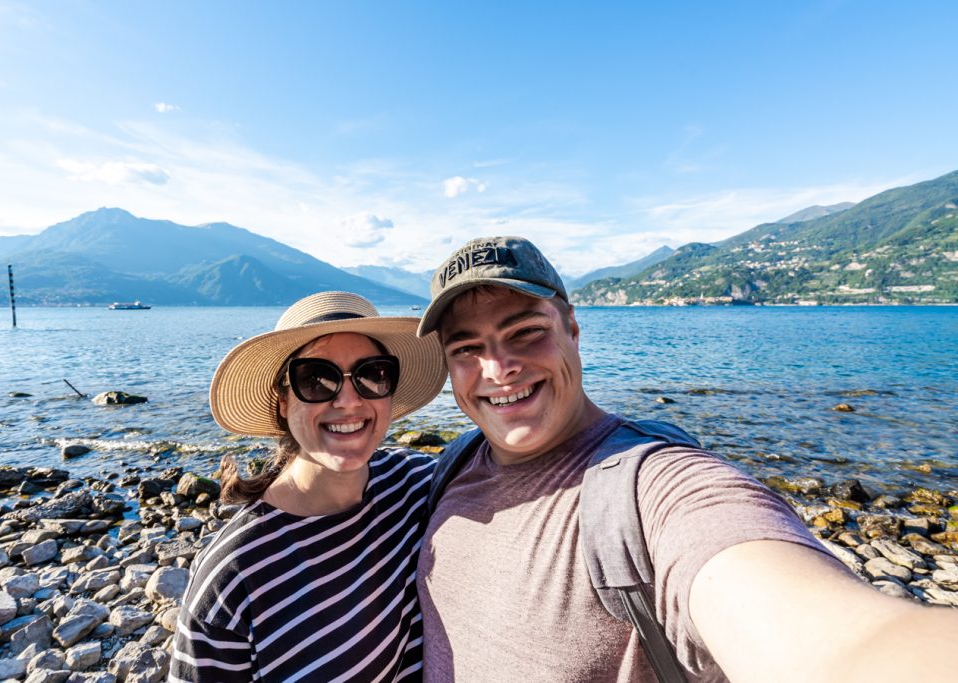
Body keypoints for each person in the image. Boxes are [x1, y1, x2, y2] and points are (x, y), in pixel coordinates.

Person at [414, 236, 957, 682]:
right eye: (466, 349)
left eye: (526, 332)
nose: (498, 368)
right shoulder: (455, 465)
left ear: (572, 330)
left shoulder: (653, 486)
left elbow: (840, 643)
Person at [170, 291, 447, 682]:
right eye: (316, 379)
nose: (349, 401)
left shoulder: (419, 484)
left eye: (373, 374)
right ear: (282, 400)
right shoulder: (234, 576)